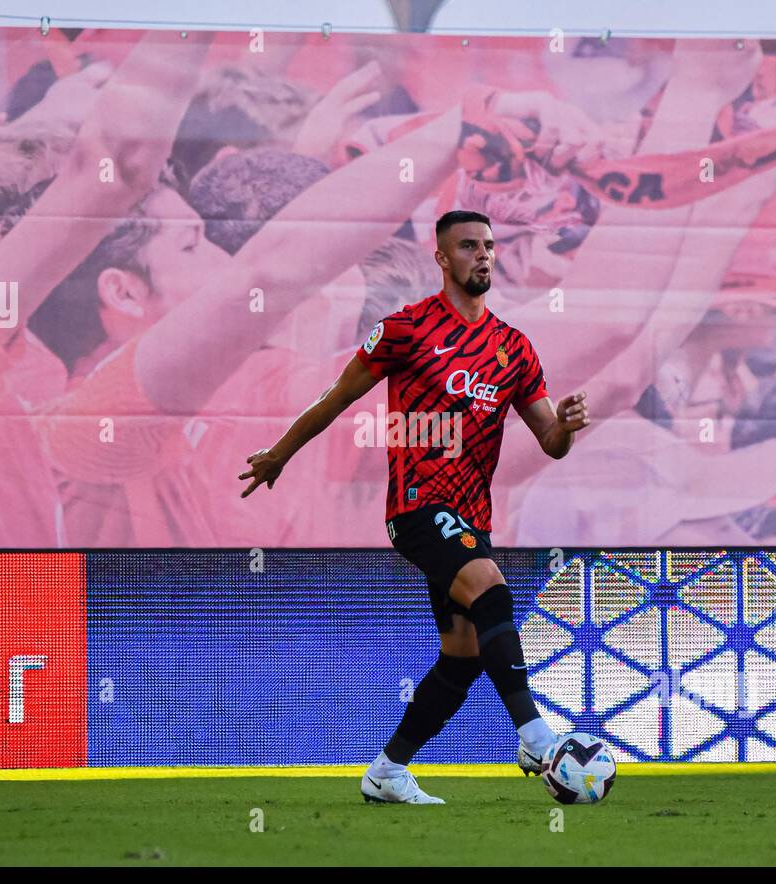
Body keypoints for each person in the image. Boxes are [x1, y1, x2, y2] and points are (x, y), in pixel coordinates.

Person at [238, 210, 590, 804]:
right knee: (492, 592)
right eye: (468, 246)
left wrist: (568, 427)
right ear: (441, 258)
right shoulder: (406, 328)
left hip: (472, 517)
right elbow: (337, 395)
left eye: (489, 246)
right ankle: (533, 735)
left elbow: (549, 442)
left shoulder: (514, 347)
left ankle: (386, 772)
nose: (482, 255)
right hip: (417, 506)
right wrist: (280, 453)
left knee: (465, 653)